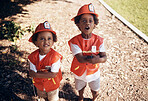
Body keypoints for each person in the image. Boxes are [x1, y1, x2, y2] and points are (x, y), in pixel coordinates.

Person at [68, 3, 107, 101]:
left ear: (95, 24)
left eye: (90, 21)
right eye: (84, 21)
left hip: (94, 72)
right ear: (78, 24)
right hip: (79, 72)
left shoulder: (99, 40)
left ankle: (94, 98)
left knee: (95, 89)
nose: (87, 23)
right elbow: (80, 59)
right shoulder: (74, 41)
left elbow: (104, 57)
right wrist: (93, 59)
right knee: (80, 87)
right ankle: (80, 97)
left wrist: (98, 59)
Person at [28, 21, 62, 101]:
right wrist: (35, 74)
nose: (46, 41)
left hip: (52, 85)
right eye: (42, 39)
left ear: (53, 41)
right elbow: (32, 72)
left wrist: (36, 75)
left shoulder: (55, 57)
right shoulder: (33, 57)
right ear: (36, 42)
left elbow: (53, 74)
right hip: (39, 85)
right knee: (42, 97)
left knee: (53, 99)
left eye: (49, 38)